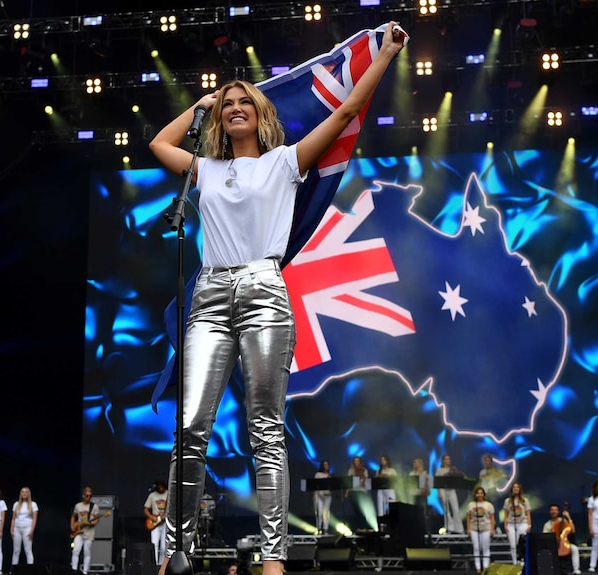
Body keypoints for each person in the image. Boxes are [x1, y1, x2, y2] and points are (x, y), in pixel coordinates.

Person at [148, 24, 406, 575]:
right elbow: (159, 145)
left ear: (261, 116)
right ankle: (177, 550)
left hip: (265, 289)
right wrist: (204, 101)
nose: (236, 107)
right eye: (229, 103)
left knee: (265, 427)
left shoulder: (285, 161)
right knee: (191, 426)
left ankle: (274, 556)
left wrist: (383, 54)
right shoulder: (206, 169)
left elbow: (343, 114)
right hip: (212, 293)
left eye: (245, 101)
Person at [543, 504, 581, 575]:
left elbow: (572, 530)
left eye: (555, 510)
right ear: (549, 512)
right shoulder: (547, 525)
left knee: (574, 548)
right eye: (552, 510)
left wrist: (568, 517)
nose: (554, 512)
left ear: (558, 512)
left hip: (564, 542)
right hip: (553, 544)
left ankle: (576, 569)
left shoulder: (562, 521)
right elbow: (545, 537)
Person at [71, 486, 101, 574]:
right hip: (79, 532)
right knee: (76, 550)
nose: (88, 497)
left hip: (89, 532)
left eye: (90, 496)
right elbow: (73, 516)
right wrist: (72, 526)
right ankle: (74, 570)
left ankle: (85, 572)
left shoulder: (94, 507)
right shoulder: (78, 506)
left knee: (86, 551)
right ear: (83, 495)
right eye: (87, 495)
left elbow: (97, 519)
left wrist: (92, 523)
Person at [466, 487, 495, 573]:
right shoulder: (471, 504)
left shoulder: (488, 505)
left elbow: (492, 518)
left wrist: (492, 530)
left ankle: (486, 567)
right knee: (476, 548)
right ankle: (478, 568)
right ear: (475, 494)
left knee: (485, 548)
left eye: (481, 493)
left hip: (486, 528)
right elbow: (468, 518)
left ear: (484, 494)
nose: (479, 494)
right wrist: (468, 529)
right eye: (478, 493)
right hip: (474, 528)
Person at [503, 482, 532, 565]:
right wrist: (505, 525)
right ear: (512, 489)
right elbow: (505, 514)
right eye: (514, 487)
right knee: (513, 546)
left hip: (522, 523)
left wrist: (529, 525)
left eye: (517, 487)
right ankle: (515, 563)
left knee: (522, 544)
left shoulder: (525, 501)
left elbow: (528, 513)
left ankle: (522, 562)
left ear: (520, 489)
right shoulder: (507, 501)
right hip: (511, 524)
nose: (516, 489)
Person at [11, 486, 39, 566]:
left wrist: (32, 531)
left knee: (28, 550)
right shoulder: (16, 504)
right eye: (22, 492)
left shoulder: (33, 504)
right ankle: (14, 569)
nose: (24, 494)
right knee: (16, 550)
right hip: (17, 527)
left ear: (28, 494)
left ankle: (30, 570)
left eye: (26, 492)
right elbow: (13, 518)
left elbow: (34, 519)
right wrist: (11, 529)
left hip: (27, 527)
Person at [145, 480, 169, 565]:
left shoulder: (168, 494)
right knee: (154, 545)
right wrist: (152, 517)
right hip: (155, 522)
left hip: (165, 522)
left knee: (163, 546)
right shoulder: (152, 495)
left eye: (162, 486)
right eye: (159, 486)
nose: (160, 488)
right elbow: (146, 509)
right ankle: (153, 564)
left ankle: (161, 565)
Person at [346, 455, 372, 530]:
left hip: (361, 491)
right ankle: (358, 527)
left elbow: (367, 484)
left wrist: (363, 478)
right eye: (355, 461)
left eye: (358, 461)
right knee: (356, 510)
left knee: (362, 510)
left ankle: (364, 526)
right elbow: (349, 482)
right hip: (353, 492)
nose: (356, 462)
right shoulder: (351, 471)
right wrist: (347, 492)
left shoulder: (364, 470)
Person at [375, 455, 398, 520]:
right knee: (380, 507)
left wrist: (385, 475)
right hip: (381, 490)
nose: (382, 461)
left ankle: (393, 522)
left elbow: (395, 479)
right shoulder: (378, 471)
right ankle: (382, 524)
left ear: (387, 461)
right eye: (381, 460)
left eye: (384, 460)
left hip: (389, 489)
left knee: (392, 505)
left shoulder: (392, 470)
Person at [314, 460, 332, 535]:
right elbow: (314, 485)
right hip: (319, 495)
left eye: (327, 464)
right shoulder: (318, 474)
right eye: (325, 464)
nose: (326, 466)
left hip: (328, 495)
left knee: (326, 512)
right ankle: (319, 528)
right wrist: (314, 494)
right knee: (320, 512)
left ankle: (326, 529)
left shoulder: (329, 475)